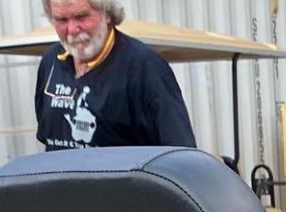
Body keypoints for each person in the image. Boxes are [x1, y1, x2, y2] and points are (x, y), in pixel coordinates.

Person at [35, 0, 197, 151]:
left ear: (107, 14)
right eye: (61, 20)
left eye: (81, 17)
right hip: (61, 181)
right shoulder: (51, 62)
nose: (72, 30)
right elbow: (48, 137)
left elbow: (180, 152)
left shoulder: (144, 67)